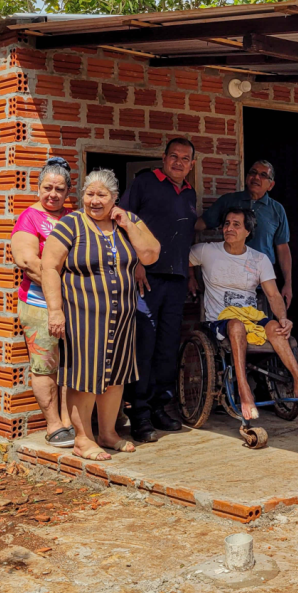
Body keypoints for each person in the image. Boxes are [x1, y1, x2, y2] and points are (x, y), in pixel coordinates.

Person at [41, 169, 160, 462]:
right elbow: (49, 267)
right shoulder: (71, 224)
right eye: (89, 194)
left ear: (115, 198)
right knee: (84, 377)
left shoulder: (127, 221)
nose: (94, 201)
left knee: (115, 375)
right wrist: (55, 310)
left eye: (102, 195)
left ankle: (108, 433)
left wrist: (128, 225)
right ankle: (83, 439)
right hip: (82, 317)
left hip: (122, 316)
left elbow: (151, 254)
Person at [188, 208, 298, 421]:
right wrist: (191, 278)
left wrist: (283, 318)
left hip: (251, 317)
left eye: (236, 224)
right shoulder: (207, 251)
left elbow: (273, 294)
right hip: (220, 320)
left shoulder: (259, 259)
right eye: (226, 223)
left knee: (274, 327)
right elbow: (182, 259)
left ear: (247, 231)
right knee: (236, 325)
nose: (229, 228)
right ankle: (244, 391)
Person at [118, 138, 198, 443]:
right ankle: (138, 414)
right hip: (146, 278)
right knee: (144, 346)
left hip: (176, 281)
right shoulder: (145, 183)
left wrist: (189, 272)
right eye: (173, 156)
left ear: (191, 164)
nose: (179, 162)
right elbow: (121, 221)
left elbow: (185, 236)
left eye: (185, 159)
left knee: (166, 347)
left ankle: (159, 408)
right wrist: (135, 261)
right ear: (163, 158)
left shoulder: (189, 192)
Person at [10, 156, 75, 448]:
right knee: (45, 364)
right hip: (39, 304)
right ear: (38, 188)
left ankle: (71, 421)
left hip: (75, 305)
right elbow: (27, 260)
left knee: (72, 364)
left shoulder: (74, 216)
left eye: (59, 189)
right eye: (47, 187)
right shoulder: (30, 218)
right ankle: (53, 425)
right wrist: (60, 288)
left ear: (68, 191)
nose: (53, 194)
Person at [197, 160, 293, 308]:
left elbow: (282, 248)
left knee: (261, 328)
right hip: (228, 281)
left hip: (261, 284)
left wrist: (288, 283)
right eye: (253, 173)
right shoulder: (229, 201)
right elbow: (200, 225)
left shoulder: (277, 210)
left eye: (263, 175)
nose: (256, 178)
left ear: (271, 185)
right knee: (231, 327)